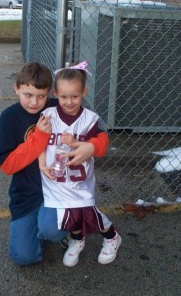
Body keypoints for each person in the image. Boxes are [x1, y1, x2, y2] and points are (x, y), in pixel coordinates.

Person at [0, 61, 109, 266]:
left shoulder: (59, 107)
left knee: (52, 230)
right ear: (17, 88)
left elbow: (98, 134)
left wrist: (91, 147)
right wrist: (38, 137)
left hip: (60, 192)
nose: (34, 102)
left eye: (41, 96)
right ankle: (38, 230)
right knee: (24, 257)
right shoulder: (9, 118)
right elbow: (7, 166)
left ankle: (53, 230)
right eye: (27, 95)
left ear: (51, 93)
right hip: (27, 195)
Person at [38, 61, 122, 267]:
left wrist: (76, 143)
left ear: (84, 92)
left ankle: (112, 236)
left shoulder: (90, 120)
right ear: (56, 93)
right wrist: (41, 164)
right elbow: (38, 143)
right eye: (64, 96)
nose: (69, 101)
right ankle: (77, 239)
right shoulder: (48, 116)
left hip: (80, 181)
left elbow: (101, 144)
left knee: (86, 213)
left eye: (75, 96)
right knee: (69, 215)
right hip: (55, 179)